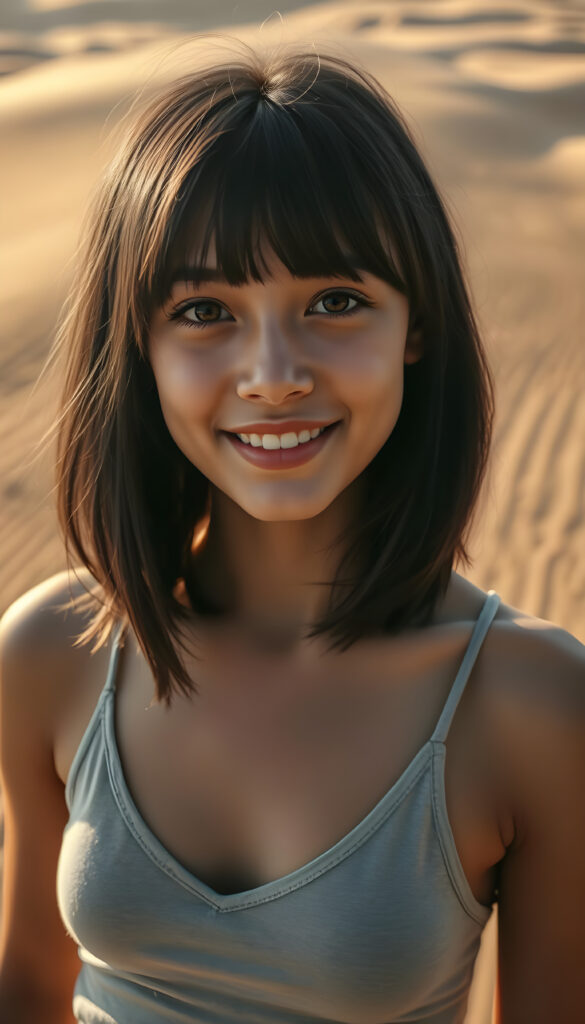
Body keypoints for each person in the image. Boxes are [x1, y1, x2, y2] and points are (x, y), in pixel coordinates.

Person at [0, 40, 583, 1024]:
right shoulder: (54, 652)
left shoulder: (533, 706)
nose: (273, 372)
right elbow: (24, 990)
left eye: (336, 301)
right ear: (135, 346)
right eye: (203, 310)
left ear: (417, 325)